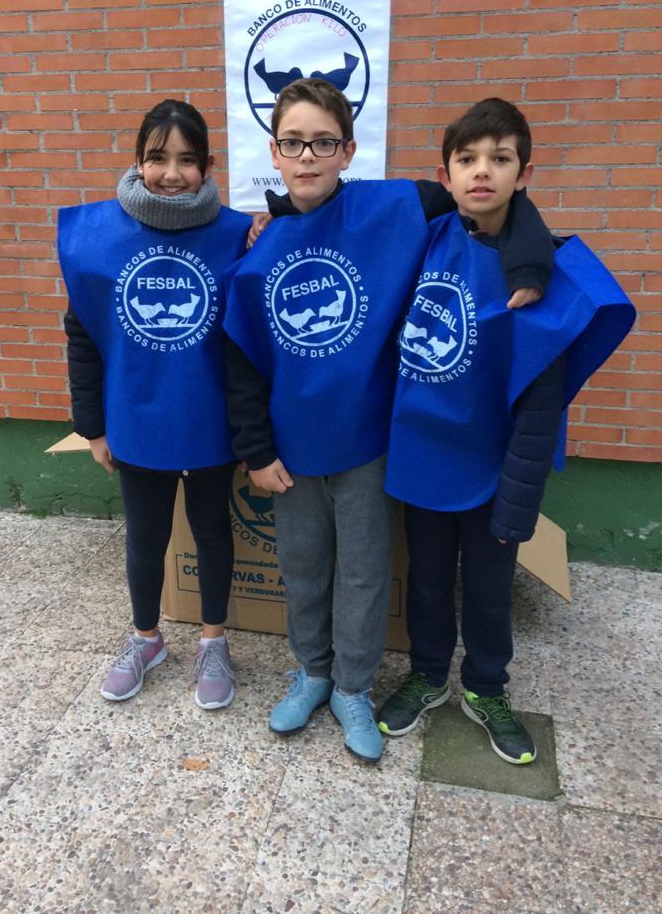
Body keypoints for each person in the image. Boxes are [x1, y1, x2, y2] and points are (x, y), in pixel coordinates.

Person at [223, 79, 554, 763]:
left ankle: (352, 687)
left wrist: (531, 255)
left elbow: (487, 200)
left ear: (348, 151)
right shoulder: (259, 249)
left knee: (366, 574)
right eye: (293, 143)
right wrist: (255, 448)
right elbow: (241, 355)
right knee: (303, 568)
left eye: (323, 143)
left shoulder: (399, 206)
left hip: (372, 444)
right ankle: (312, 673)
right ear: (274, 152)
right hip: (290, 450)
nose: (307, 156)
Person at [377, 98, 635, 763]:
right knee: (428, 582)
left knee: (490, 594)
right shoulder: (429, 236)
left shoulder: (543, 279)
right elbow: (350, 212)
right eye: (467, 159)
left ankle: (486, 687)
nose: (482, 171)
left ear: (525, 174)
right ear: (446, 173)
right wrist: (275, 214)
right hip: (423, 458)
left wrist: (518, 504)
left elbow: (540, 407)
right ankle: (429, 675)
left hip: (491, 473)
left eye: (500, 158)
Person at [58, 100, 252, 710]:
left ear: (208, 166)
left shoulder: (237, 236)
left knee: (212, 532)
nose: (172, 173)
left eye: (187, 160)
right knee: (145, 538)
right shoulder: (99, 241)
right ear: (137, 161)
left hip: (211, 423)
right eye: (157, 158)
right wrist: (92, 427)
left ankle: (213, 642)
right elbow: (83, 337)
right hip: (136, 421)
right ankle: (147, 638)